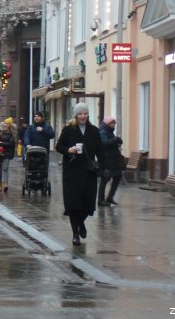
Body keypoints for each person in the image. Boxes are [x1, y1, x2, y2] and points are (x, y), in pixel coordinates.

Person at [55, 102, 104, 246]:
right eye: (80, 114)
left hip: (89, 172)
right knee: (73, 204)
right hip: (72, 171)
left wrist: (105, 167)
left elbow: (100, 150)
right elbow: (59, 146)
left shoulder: (94, 130)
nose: (83, 116)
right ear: (75, 115)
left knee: (88, 203)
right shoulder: (68, 130)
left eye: (85, 113)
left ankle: (81, 222)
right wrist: (68, 150)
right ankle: (75, 234)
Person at [97, 116, 124, 206]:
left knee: (117, 177)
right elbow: (104, 143)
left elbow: (112, 142)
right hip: (107, 160)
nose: (114, 125)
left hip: (114, 160)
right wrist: (115, 139)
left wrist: (118, 140)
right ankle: (101, 200)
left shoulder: (109, 132)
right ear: (108, 124)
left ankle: (110, 198)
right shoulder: (103, 132)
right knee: (105, 179)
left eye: (114, 123)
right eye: (112, 123)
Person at [0, 121, 17, 192]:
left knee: (5, 168)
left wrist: (1, 143)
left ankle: (5, 184)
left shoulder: (12, 134)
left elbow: (11, 144)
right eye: (5, 123)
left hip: (7, 153)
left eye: (7, 124)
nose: (6, 125)